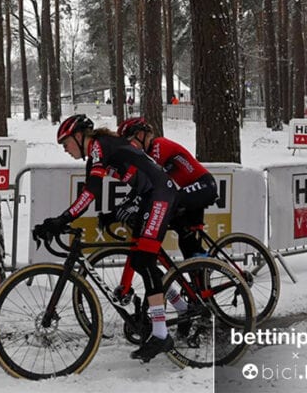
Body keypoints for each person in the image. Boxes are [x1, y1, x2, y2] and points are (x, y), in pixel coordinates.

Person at [33, 114, 179, 362]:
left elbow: (90, 193)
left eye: (66, 143)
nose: (65, 149)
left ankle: (160, 334)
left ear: (80, 136)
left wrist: (61, 220)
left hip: (159, 194)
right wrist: (64, 219)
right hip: (148, 196)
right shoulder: (96, 154)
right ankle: (183, 308)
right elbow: (89, 193)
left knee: (143, 260)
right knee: (142, 259)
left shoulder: (99, 146)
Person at [117, 117, 218, 259]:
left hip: (204, 185)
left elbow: (150, 183)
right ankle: (202, 264)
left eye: (130, 142)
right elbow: (142, 185)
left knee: (168, 207)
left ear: (140, 135)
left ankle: (207, 260)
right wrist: (125, 205)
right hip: (192, 188)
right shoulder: (147, 155)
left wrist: (132, 204)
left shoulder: (158, 146)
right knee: (185, 243)